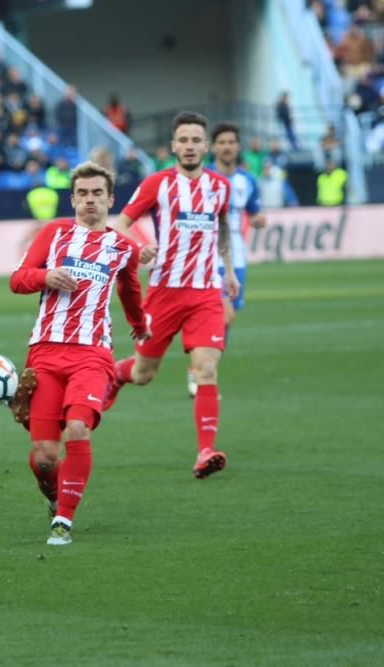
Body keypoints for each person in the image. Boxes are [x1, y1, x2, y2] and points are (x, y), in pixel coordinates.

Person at [7, 161, 149, 546]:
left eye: (97, 193)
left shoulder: (123, 247)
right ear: (72, 199)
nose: (90, 200)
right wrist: (44, 276)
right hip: (45, 354)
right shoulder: (54, 233)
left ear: (110, 199)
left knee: (77, 428)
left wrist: (139, 324)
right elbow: (17, 280)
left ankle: (64, 523)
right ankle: (55, 497)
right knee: (45, 455)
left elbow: (130, 290)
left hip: (92, 353)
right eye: (83, 194)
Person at [110, 111, 236, 480]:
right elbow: (121, 223)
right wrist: (138, 249)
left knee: (206, 369)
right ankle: (115, 374)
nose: (190, 146)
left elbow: (223, 227)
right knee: (144, 373)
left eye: (197, 140)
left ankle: (205, 451)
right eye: (184, 140)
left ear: (206, 145)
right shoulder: (157, 184)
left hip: (206, 293)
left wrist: (227, 270)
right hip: (164, 292)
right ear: (174, 146)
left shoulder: (219, 187)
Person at [186, 122, 266, 397]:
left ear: (238, 146)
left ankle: (201, 368)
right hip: (207, 257)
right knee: (223, 313)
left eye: (232, 142)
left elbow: (254, 210)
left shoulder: (247, 181)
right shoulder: (201, 180)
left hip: (237, 258)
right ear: (213, 147)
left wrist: (257, 219)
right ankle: (202, 375)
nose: (227, 147)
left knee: (227, 320)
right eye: (222, 142)